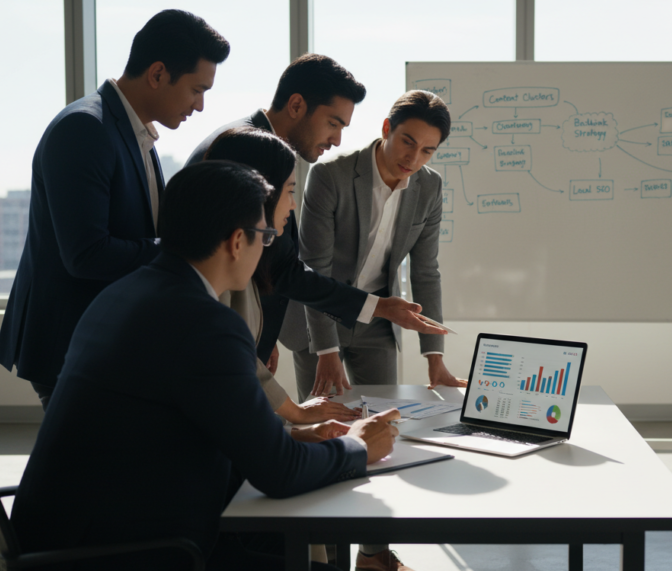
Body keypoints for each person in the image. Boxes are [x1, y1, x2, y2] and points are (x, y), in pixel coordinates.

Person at [10, 161, 402, 571]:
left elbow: (193, 419)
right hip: (120, 560)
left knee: (287, 542)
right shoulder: (204, 322)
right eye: (265, 237)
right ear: (237, 241)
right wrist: (358, 445)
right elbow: (281, 473)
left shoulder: (125, 292)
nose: (265, 249)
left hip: (61, 542)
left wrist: (288, 436)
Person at [0, 9, 230, 409]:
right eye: (196, 89)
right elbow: (86, 254)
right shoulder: (85, 128)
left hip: (106, 341)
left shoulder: (135, 132)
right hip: (74, 344)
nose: (201, 105)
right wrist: (182, 249)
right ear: (158, 74)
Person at [187, 53, 445, 399]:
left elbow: (271, 262)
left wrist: (264, 329)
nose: (336, 139)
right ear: (296, 105)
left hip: (239, 328)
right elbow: (286, 268)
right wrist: (378, 308)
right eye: (333, 124)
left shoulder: (251, 143)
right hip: (215, 334)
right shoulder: (249, 152)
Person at [292, 90, 466, 400]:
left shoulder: (430, 186)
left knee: (385, 415)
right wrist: (327, 350)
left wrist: (435, 358)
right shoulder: (329, 176)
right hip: (318, 314)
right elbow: (314, 269)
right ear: (387, 129)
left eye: (427, 151)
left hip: (379, 319)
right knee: (322, 416)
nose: (413, 159)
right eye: (408, 142)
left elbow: (425, 271)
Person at [202, 127, 360, 425]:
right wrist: (342, 443)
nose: (293, 204)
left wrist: (296, 425)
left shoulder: (228, 263)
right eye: (289, 190)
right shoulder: (208, 288)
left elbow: (242, 360)